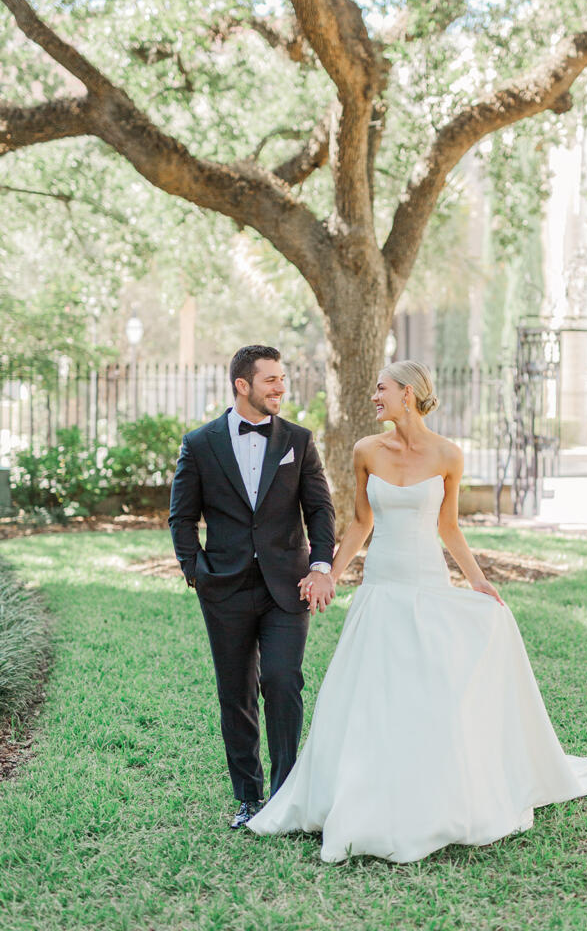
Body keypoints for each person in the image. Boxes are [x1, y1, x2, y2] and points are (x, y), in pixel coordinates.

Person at [248, 359, 587, 862]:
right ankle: (365, 794)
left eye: (382, 389)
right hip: (380, 589)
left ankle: (437, 794)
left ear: (409, 393)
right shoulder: (365, 451)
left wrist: (479, 580)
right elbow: (359, 523)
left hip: (427, 584)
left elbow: (449, 528)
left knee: (430, 692)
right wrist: (330, 573)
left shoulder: (448, 455)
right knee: (371, 698)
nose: (374, 397)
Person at [168, 345, 335, 829]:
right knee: (235, 692)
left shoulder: (299, 441)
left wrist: (320, 565)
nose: (281, 388)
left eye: (282, 379)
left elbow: (320, 510)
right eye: (271, 380)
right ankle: (248, 796)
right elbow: (182, 516)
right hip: (226, 588)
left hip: (290, 585)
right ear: (243, 385)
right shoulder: (200, 443)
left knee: (283, 681)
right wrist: (196, 572)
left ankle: (284, 796)